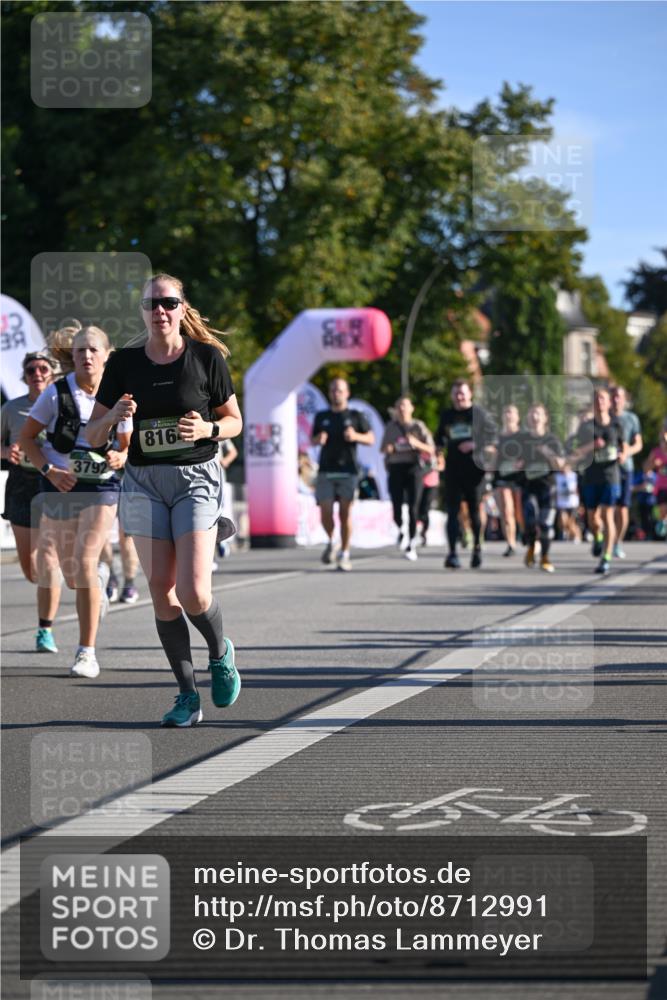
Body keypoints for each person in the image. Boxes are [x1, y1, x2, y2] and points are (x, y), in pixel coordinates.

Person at [87, 273, 243, 727]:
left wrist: (209, 429)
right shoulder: (124, 363)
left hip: (196, 478)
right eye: (152, 303)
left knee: (194, 592)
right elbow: (91, 435)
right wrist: (113, 416)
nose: (160, 310)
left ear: (181, 307)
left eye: (169, 303)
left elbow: (234, 420)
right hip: (144, 482)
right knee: (161, 590)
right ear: (142, 310)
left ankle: (220, 652)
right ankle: (187, 696)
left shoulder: (206, 358)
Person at [18, 324, 131, 675]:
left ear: (107, 355)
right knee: (71, 575)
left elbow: (126, 445)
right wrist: (50, 471)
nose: (86, 356)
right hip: (60, 486)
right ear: (73, 355)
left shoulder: (119, 395)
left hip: (101, 486)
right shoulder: (56, 393)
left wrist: (121, 456)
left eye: (93, 349)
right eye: (80, 350)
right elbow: (27, 439)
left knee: (83, 563)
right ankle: (98, 580)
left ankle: (86, 652)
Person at [1, 351, 62, 651]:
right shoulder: (12, 409)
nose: (37, 374)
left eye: (42, 369)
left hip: (54, 485)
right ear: (24, 377)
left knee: (48, 558)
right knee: (31, 568)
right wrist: (5, 452)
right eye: (30, 370)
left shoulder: (63, 404)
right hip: (21, 485)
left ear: (52, 374)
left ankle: (44, 630)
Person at [311, 377, 374, 571]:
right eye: (333, 390)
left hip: (348, 470)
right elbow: (312, 440)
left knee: (345, 513)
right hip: (326, 470)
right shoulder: (322, 416)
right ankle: (332, 540)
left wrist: (355, 436)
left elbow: (371, 439)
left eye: (339, 390)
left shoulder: (355, 415)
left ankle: (345, 554)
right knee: (325, 512)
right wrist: (318, 439)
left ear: (347, 393)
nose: (336, 394)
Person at [435, 379, 496, 569]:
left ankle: (477, 548)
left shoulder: (479, 414)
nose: (459, 397)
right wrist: (438, 453)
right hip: (453, 469)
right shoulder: (447, 415)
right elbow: (439, 439)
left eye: (462, 393)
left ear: (470, 394)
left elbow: (493, 438)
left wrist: (475, 445)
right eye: (456, 393)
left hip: (474, 470)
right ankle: (452, 553)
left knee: (474, 511)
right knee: (452, 512)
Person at [570, 387, 627, 574]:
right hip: (591, 477)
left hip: (611, 476)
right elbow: (577, 452)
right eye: (596, 399)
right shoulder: (586, 427)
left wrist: (623, 455)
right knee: (593, 519)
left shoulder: (616, 424)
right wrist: (592, 446)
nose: (599, 402)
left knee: (607, 515)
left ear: (609, 403)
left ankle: (606, 557)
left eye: (603, 399)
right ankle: (598, 538)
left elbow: (624, 446)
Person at [381, 396, 435, 561]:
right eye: (399, 406)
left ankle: (411, 542)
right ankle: (401, 529)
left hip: (414, 468)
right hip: (396, 468)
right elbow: (383, 448)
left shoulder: (418, 426)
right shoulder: (390, 427)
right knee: (396, 504)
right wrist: (389, 448)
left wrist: (416, 444)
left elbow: (431, 449)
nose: (402, 409)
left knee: (413, 506)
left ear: (412, 408)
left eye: (405, 406)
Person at [518, 403, 565, 573]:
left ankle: (545, 557)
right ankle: (532, 547)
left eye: (538, 414)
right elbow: (513, 462)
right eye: (532, 414)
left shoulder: (552, 440)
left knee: (545, 524)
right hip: (528, 487)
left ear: (545, 418)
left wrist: (546, 452)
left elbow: (560, 464)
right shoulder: (522, 440)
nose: (535, 417)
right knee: (530, 520)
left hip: (548, 488)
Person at [610, 385, 643, 558]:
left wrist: (626, 452)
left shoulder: (631, 419)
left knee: (622, 509)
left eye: (619, 396)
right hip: (606, 469)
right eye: (613, 396)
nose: (616, 399)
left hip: (625, 468)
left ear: (624, 399)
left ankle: (617, 542)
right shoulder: (604, 418)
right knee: (606, 508)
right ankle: (605, 539)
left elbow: (638, 444)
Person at [493, 404, 524, 557]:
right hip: (502, 478)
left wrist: (523, 462)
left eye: (511, 412)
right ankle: (510, 543)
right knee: (506, 511)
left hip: (520, 479)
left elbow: (531, 454)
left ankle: (527, 535)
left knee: (520, 512)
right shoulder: (497, 438)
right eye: (505, 412)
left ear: (518, 417)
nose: (508, 415)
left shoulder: (523, 436)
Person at [644, 417, 667, 530]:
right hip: (661, 487)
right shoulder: (656, 452)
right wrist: (654, 464)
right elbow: (646, 469)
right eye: (662, 440)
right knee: (663, 512)